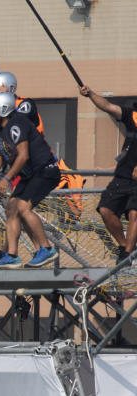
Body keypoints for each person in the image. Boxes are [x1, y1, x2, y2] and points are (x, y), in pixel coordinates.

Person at [0, 92, 60, 269]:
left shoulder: (18, 123)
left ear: (3, 108)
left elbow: (23, 156)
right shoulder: (1, 131)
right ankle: (12, 255)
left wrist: (7, 179)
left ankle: (46, 249)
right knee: (12, 208)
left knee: (23, 207)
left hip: (45, 171)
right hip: (30, 175)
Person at [79, 85, 137, 264]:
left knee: (135, 214)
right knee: (105, 209)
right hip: (122, 177)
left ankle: (127, 254)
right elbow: (107, 106)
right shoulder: (131, 116)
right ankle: (125, 247)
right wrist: (90, 94)